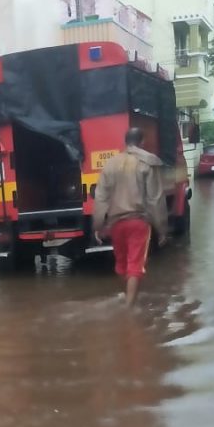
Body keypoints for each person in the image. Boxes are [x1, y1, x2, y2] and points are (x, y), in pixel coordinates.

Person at [92, 127, 168, 307]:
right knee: (135, 264)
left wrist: (97, 225)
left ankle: (126, 297)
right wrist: (162, 229)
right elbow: (155, 199)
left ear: (125, 142)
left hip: (115, 223)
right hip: (138, 221)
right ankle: (129, 309)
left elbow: (101, 197)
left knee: (121, 264)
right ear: (142, 142)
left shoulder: (110, 164)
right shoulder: (147, 162)